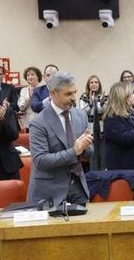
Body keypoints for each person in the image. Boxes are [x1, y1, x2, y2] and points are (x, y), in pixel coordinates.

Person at [27, 71, 93, 207]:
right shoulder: (39, 122)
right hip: (49, 193)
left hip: (78, 190)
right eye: (68, 94)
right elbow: (40, 160)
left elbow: (88, 153)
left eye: (75, 92)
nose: (74, 97)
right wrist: (75, 151)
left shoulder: (80, 115)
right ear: (53, 94)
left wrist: (86, 146)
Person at [102, 82, 134, 171]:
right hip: (124, 172)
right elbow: (125, 138)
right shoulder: (112, 117)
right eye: (131, 94)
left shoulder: (132, 113)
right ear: (124, 97)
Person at [78, 75, 107, 171]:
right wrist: (90, 103)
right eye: (92, 82)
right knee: (93, 156)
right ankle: (94, 177)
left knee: (103, 156)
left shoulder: (104, 96)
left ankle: (103, 176)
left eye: (96, 82)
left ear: (99, 84)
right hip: (90, 131)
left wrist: (102, 102)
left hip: (102, 130)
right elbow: (81, 112)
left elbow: (107, 111)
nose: (94, 84)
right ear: (88, 85)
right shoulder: (84, 96)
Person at [17, 66, 42, 131]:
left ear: (38, 76)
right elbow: (21, 107)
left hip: (42, 121)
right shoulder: (24, 90)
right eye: (28, 75)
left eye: (32, 74)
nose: (30, 77)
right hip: (28, 121)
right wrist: (28, 98)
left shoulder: (43, 89)